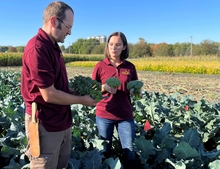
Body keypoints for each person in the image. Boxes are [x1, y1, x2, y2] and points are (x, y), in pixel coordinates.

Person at [21, 1, 97, 169]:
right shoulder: (37, 48)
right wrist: (81, 100)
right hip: (45, 124)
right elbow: (49, 94)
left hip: (61, 121)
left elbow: (58, 87)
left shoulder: (53, 46)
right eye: (68, 26)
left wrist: (77, 93)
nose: (70, 32)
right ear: (54, 21)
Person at [92, 32, 139, 168]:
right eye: (111, 44)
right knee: (105, 150)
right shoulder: (100, 66)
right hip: (104, 114)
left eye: (118, 44)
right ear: (107, 46)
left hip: (125, 115)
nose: (114, 47)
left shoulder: (129, 67)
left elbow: (135, 88)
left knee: (129, 151)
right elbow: (92, 89)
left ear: (124, 47)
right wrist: (104, 87)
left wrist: (136, 92)